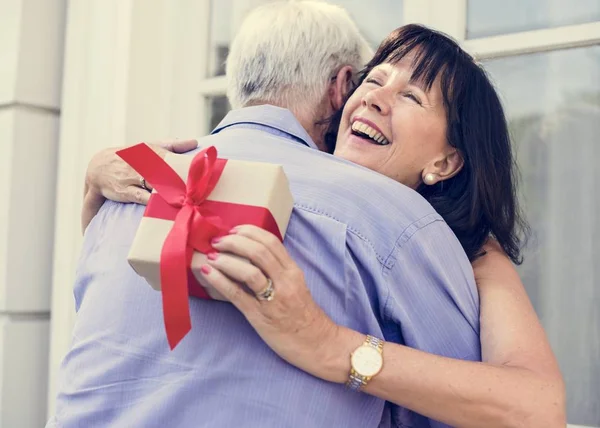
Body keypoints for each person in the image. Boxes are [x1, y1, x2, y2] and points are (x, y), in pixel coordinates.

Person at [51, 4, 564, 428]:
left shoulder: (455, 247)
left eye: (410, 95)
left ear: (446, 161)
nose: (376, 98)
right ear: (343, 90)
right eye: (375, 78)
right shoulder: (193, 183)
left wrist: (329, 345)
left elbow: (525, 409)